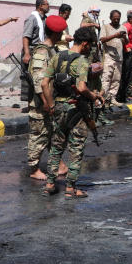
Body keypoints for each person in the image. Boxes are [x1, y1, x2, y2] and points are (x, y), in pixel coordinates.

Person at [41, 27, 103, 199]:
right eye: (90, 46)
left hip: (59, 108)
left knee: (56, 147)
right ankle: (71, 188)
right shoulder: (82, 61)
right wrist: (94, 97)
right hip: (76, 109)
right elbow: (82, 87)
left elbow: (44, 83)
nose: (90, 49)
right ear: (84, 44)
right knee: (76, 148)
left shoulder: (57, 57)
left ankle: (50, 184)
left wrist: (51, 105)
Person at [27, 14, 68, 180]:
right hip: (41, 102)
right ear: (56, 34)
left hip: (50, 99)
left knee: (51, 132)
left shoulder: (51, 50)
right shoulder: (42, 52)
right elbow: (38, 81)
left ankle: (59, 164)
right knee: (38, 134)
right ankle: (34, 168)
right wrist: (46, 102)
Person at [99, 9, 127, 117]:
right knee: (106, 78)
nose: (116, 20)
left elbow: (127, 42)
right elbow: (102, 39)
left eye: (118, 18)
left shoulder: (123, 27)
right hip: (108, 56)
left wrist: (123, 36)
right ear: (111, 18)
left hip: (119, 57)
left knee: (116, 79)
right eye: (115, 18)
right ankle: (104, 99)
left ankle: (112, 98)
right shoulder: (105, 27)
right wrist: (115, 35)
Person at [22, 0, 50, 65]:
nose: (48, 6)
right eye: (47, 4)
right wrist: (26, 53)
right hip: (32, 51)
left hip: (42, 52)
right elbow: (26, 37)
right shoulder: (32, 19)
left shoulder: (46, 19)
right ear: (41, 6)